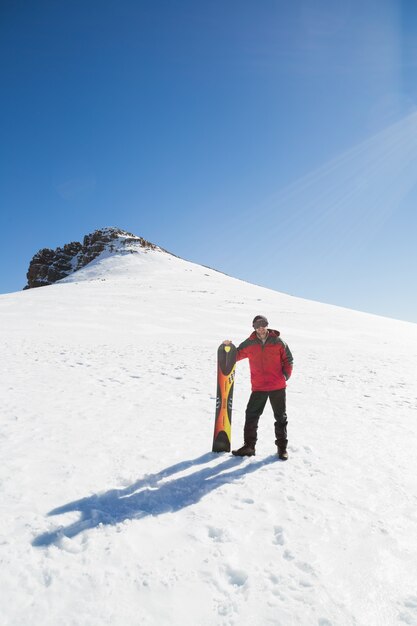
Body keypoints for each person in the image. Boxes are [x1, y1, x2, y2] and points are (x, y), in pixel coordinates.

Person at [224, 315, 293, 460]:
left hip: (277, 386)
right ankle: (249, 446)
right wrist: (227, 348)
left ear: (267, 325)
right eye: (257, 326)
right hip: (259, 387)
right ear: (254, 327)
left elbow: (288, 359)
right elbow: (236, 355)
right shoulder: (249, 343)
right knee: (251, 416)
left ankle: (282, 449)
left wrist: (285, 375)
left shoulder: (278, 342)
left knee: (280, 417)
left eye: (263, 325)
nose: (261, 328)